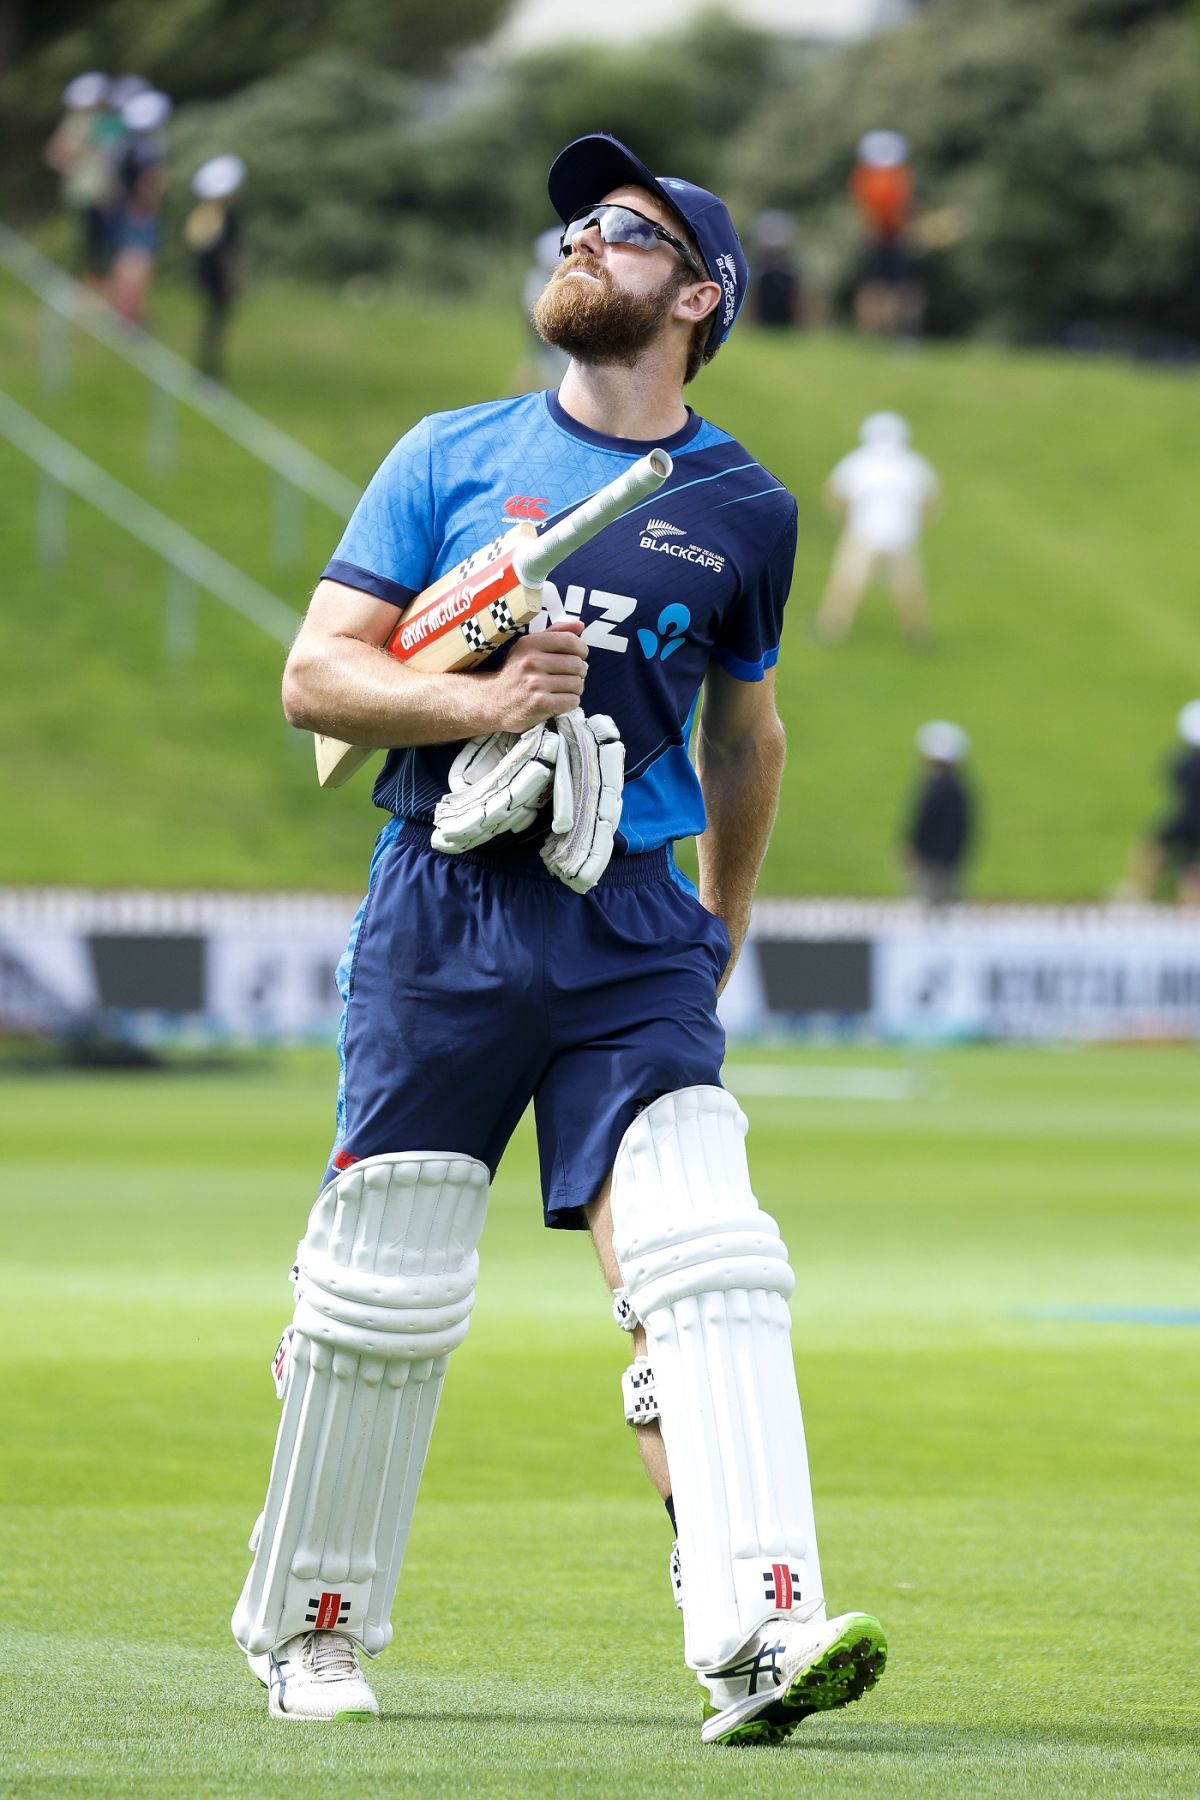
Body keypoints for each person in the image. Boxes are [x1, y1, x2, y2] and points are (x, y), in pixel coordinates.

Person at [230, 131, 886, 1744]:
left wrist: (721, 920)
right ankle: (312, 1629)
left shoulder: (745, 508)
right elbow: (320, 677)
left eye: (631, 231)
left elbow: (751, 741)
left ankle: (756, 1635)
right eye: (580, 224)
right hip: (441, 910)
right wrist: (474, 699)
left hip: (635, 922)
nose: (586, 241)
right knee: (379, 1291)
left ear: (702, 296)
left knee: (705, 1257)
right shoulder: (447, 454)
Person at [815, 411, 940, 644]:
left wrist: (842, 523)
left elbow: (834, 494)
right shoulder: (911, 464)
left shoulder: (859, 462)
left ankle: (832, 629)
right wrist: (920, 526)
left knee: (848, 582)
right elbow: (930, 499)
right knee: (906, 587)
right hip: (898, 537)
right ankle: (918, 634)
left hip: (865, 534)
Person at [43, 72, 124, 292]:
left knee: (107, 239)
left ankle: (105, 284)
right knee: (93, 240)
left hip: (105, 189)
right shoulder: (77, 121)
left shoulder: (108, 121)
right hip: (87, 189)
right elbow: (54, 154)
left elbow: (116, 155)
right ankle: (94, 282)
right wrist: (77, 155)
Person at [1118, 702, 1200, 904]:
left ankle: (1140, 889)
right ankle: (1190, 904)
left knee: (1152, 845)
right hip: (1189, 820)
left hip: (1186, 819)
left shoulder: (1182, 764)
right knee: (1190, 868)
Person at [849, 129, 923, 338]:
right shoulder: (895, 177)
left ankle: (874, 335)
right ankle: (897, 334)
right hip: (892, 238)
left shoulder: (863, 176)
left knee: (876, 286)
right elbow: (901, 210)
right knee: (901, 288)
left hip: (876, 237)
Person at [109, 88, 171, 327]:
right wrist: (148, 205)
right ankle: (133, 317)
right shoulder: (147, 149)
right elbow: (149, 183)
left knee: (124, 261)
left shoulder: (124, 145)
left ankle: (123, 313)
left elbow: (114, 179)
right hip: (139, 212)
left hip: (124, 208)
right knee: (138, 265)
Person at [184, 154, 245, 383]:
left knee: (211, 327)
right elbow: (227, 254)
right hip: (217, 280)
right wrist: (230, 281)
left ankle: (207, 371)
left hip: (208, 278)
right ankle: (209, 373)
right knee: (213, 329)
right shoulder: (224, 217)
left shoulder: (207, 215)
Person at [903, 721, 974, 905]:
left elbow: (925, 822)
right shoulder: (959, 788)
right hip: (950, 861)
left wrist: (915, 850)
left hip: (933, 863)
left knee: (932, 907)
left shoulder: (937, 789)